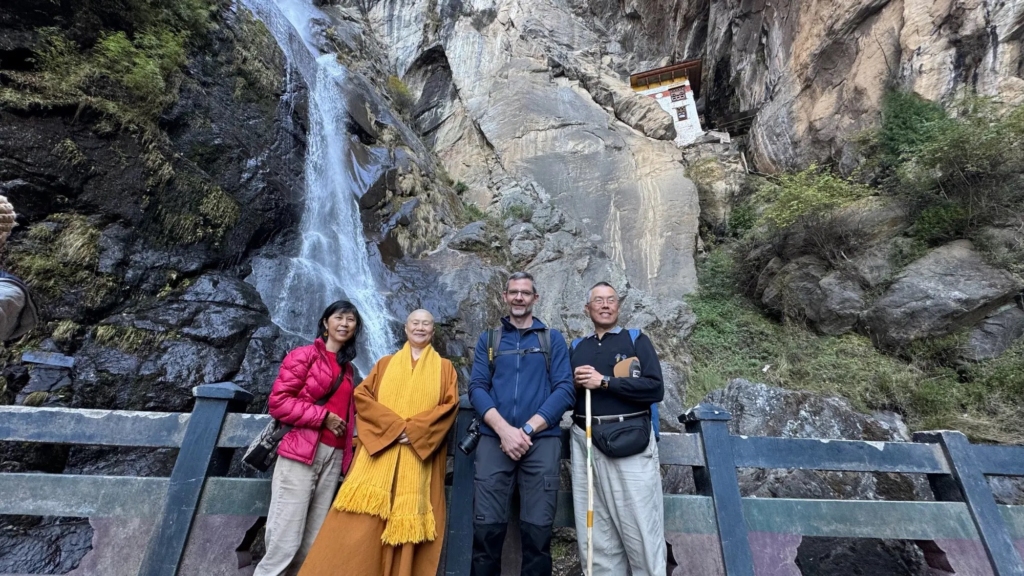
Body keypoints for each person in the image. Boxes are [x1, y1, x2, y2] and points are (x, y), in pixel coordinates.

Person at [299, 309, 459, 576]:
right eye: (415, 323)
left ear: (433, 330)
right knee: (361, 523)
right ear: (406, 329)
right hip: (379, 456)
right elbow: (362, 398)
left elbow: (449, 406)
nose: (420, 328)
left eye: (426, 324)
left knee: (407, 530)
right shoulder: (385, 363)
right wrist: (395, 429)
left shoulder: (445, 368)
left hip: (418, 459)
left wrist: (416, 432)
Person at [468, 271, 575, 576]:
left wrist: (527, 430)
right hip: (493, 440)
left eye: (525, 293)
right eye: (513, 292)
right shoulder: (489, 340)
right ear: (505, 296)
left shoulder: (551, 339)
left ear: (535, 298)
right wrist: (504, 430)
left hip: (540, 442)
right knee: (486, 533)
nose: (518, 297)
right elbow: (476, 387)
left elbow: (565, 389)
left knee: (538, 535)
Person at [254, 300, 361, 576]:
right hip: (301, 452)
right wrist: (322, 417)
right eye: (339, 317)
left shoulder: (349, 371)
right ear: (326, 323)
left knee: (311, 543)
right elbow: (278, 403)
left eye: (351, 320)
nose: (345, 324)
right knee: (284, 540)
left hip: (333, 458)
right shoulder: (305, 355)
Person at [569, 282, 666, 575]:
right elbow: (562, 396)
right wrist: (572, 384)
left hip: (630, 440)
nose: (605, 304)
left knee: (640, 528)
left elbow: (655, 388)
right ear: (588, 309)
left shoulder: (636, 340)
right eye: (598, 300)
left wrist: (606, 381)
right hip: (585, 441)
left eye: (611, 300)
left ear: (618, 306)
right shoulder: (576, 347)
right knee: (596, 535)